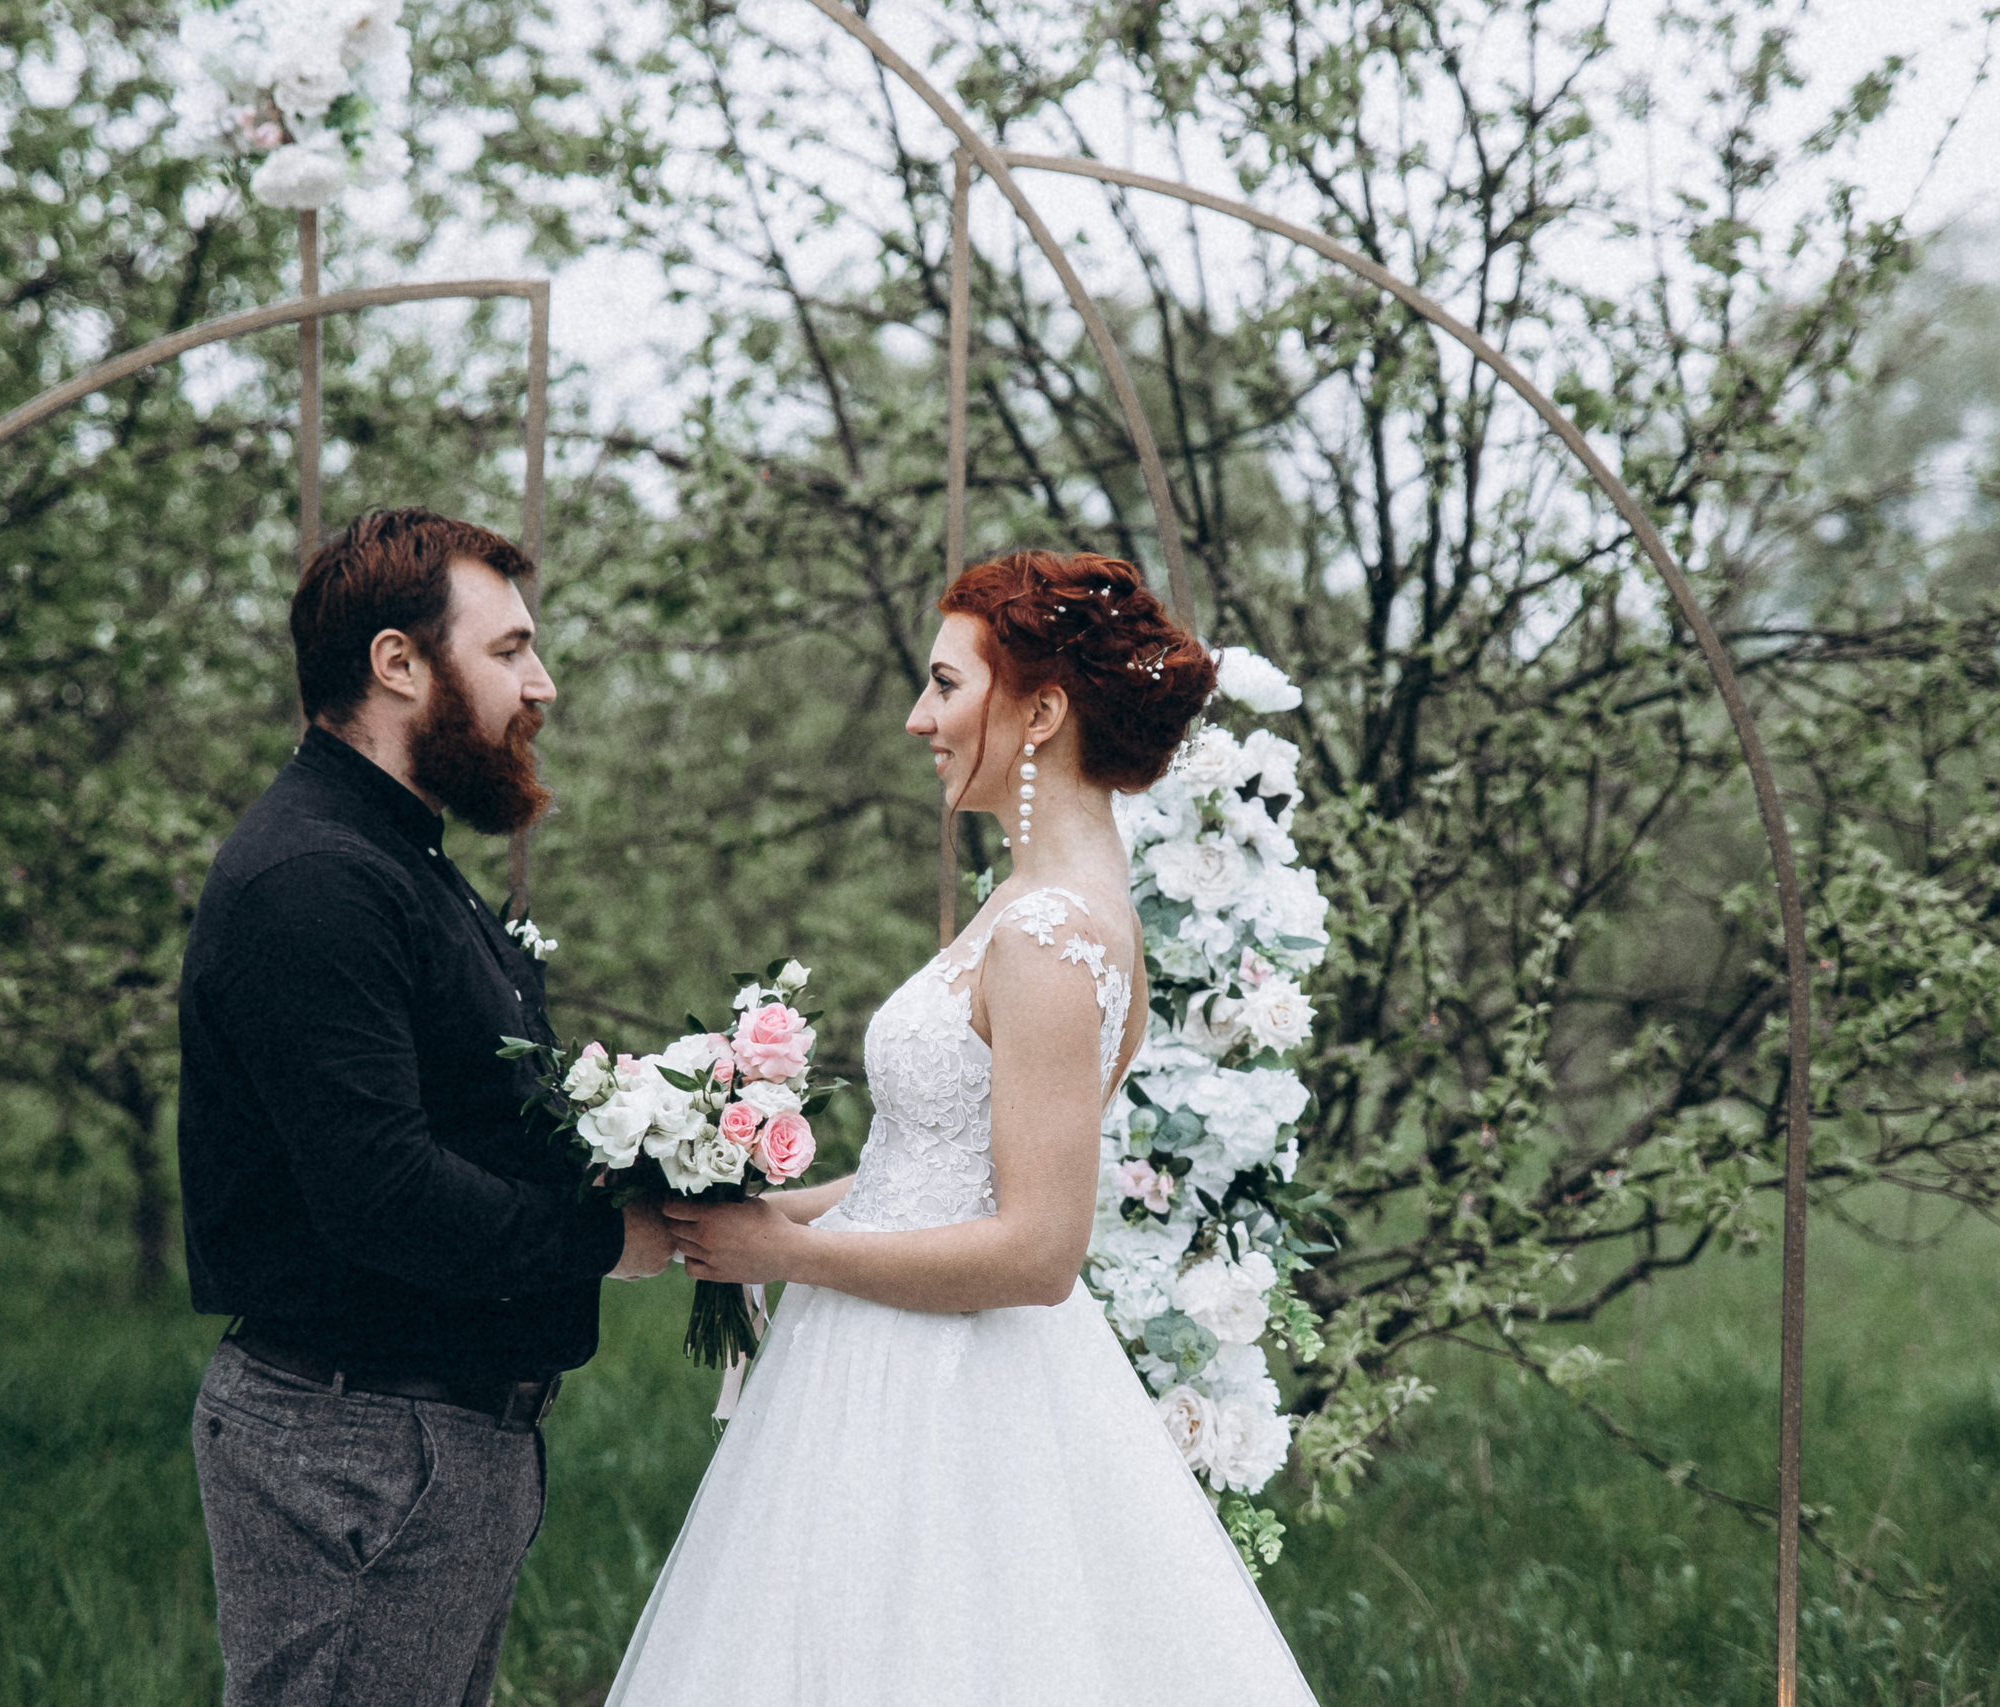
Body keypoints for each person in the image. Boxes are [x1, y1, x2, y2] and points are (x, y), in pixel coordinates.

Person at [615, 550, 1318, 1705]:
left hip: (944, 1391)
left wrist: (789, 1257)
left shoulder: (1049, 934)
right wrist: (736, 1211)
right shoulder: (1033, 904)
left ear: (1039, 711)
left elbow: (1039, 1252)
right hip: (882, 1345)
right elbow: (934, 1169)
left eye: (945, 686)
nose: (916, 720)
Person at [176, 508, 674, 1707]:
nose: (541, 685)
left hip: (423, 1442)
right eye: (508, 651)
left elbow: (462, 1118)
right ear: (398, 662)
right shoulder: (315, 879)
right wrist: (611, 1241)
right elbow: (381, 1192)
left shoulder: (399, 859)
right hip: (354, 1451)